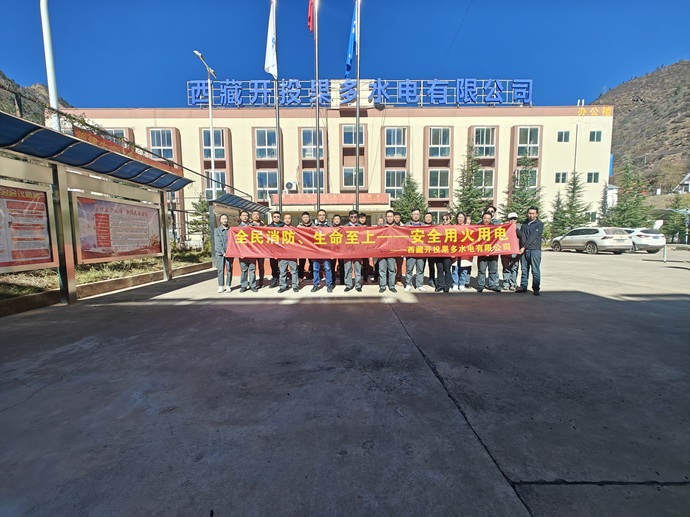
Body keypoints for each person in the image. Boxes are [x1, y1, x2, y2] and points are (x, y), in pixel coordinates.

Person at [516, 206, 543, 296]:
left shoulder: (539, 224)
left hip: (534, 250)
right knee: (524, 269)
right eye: (529, 213)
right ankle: (523, 286)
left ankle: (536, 288)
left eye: (533, 213)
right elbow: (521, 235)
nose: (531, 215)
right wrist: (513, 228)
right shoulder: (525, 223)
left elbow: (532, 237)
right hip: (524, 250)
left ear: (536, 214)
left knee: (535, 270)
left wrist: (523, 247)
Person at [476, 211, 500, 293]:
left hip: (492, 253)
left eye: (488, 218)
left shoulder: (495, 228)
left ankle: (493, 285)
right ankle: (481, 285)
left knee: (493, 270)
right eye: (485, 218)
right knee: (481, 270)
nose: (486, 220)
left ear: (491, 219)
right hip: (482, 253)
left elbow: (498, 240)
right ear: (482, 218)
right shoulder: (477, 227)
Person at [311, 209, 334, 293]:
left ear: (325, 216)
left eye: (323, 215)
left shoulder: (330, 227)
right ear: (317, 217)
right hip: (316, 251)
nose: (322, 217)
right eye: (320, 215)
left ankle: (329, 285)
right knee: (315, 269)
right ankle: (316, 285)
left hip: (326, 251)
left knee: (327, 268)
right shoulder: (313, 227)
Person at [404, 208, 426, 292]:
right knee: (409, 269)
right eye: (414, 214)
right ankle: (408, 284)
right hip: (410, 250)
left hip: (420, 250)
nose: (416, 216)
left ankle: (419, 285)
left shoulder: (424, 226)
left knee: (420, 269)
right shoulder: (406, 225)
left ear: (420, 215)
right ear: (411, 215)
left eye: (417, 214)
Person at [278, 213, 299, 293]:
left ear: (291, 220)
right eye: (286, 218)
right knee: (282, 272)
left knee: (294, 271)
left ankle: (295, 286)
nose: (287, 220)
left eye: (289, 218)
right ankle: (283, 286)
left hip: (292, 254)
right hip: (283, 254)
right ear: (283, 220)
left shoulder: (295, 230)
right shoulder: (279, 230)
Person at [378, 210, 397, 293]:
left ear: (394, 217)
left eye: (391, 216)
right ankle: (382, 286)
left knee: (392, 269)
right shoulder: (381, 228)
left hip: (392, 251)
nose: (389, 218)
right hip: (382, 251)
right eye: (388, 216)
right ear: (386, 217)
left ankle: (392, 286)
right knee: (382, 269)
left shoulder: (398, 228)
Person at [238, 210, 257, 292]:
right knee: (244, 269)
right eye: (243, 215)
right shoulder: (237, 228)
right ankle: (244, 285)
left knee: (252, 269)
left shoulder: (253, 226)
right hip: (242, 252)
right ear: (240, 217)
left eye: (246, 215)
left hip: (252, 252)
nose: (245, 217)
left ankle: (253, 285)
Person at [343, 210, 363, 292]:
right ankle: (348, 285)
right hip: (347, 251)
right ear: (349, 217)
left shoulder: (361, 227)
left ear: (357, 218)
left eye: (355, 217)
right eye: (351, 217)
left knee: (358, 269)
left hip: (358, 251)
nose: (353, 218)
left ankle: (358, 285)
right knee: (347, 269)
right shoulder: (344, 227)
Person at [451, 211, 471, 292]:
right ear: (457, 218)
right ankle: (455, 283)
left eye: (462, 217)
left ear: (464, 219)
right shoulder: (453, 227)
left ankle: (462, 284)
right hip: (455, 250)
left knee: (464, 269)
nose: (460, 219)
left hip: (464, 251)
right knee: (455, 268)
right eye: (459, 217)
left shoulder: (468, 228)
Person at [501, 212, 520, 291]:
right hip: (505, 251)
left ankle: (513, 284)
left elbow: (521, 236)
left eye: (514, 219)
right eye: (511, 219)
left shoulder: (519, 227)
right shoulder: (504, 227)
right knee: (506, 268)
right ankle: (506, 283)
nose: (512, 220)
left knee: (514, 268)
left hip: (515, 251)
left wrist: (515, 228)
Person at [434, 213, 453, 293]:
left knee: (447, 269)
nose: (445, 221)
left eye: (447, 219)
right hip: (439, 252)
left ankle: (447, 286)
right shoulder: (439, 228)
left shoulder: (454, 228)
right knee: (440, 269)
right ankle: (440, 285)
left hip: (448, 253)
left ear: (450, 219)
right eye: (443, 219)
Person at [214, 213, 233, 293]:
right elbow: (218, 243)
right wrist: (223, 252)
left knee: (229, 269)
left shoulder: (231, 230)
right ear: (220, 220)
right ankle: (221, 286)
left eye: (226, 218)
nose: (225, 220)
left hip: (229, 253)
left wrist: (230, 252)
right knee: (220, 269)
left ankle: (228, 285)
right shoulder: (217, 230)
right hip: (220, 253)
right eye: (223, 219)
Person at [267, 211, 284, 288]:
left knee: (283, 266)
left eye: (278, 217)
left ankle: (283, 281)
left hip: (282, 249)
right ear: (272, 218)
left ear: (280, 218)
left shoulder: (284, 226)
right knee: (273, 266)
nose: (276, 218)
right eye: (274, 217)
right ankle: (275, 279)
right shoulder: (268, 227)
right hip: (272, 249)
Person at [250, 210, 266, 288]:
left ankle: (261, 282)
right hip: (252, 250)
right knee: (252, 267)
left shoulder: (264, 225)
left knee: (261, 267)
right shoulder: (248, 225)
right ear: (252, 216)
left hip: (261, 250)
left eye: (257, 214)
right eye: (254, 214)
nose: (256, 216)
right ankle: (252, 284)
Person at [358, 212, 375, 283]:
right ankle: (358, 279)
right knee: (358, 265)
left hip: (365, 248)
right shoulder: (355, 227)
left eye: (363, 218)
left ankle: (365, 278)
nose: (362, 219)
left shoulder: (368, 227)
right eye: (361, 218)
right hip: (358, 248)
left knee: (366, 264)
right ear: (359, 219)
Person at [297, 211, 313, 282]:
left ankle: (314, 277)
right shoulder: (298, 227)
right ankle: (300, 277)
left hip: (311, 248)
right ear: (302, 218)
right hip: (302, 248)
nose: (305, 218)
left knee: (312, 263)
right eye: (304, 217)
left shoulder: (313, 226)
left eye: (307, 217)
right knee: (301, 263)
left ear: (309, 218)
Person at [331, 214, 346, 286]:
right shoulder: (329, 229)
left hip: (341, 250)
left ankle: (342, 281)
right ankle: (332, 281)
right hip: (332, 250)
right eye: (335, 219)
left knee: (342, 266)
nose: (337, 220)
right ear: (333, 220)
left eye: (338, 219)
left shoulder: (343, 228)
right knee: (332, 266)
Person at [423, 211, 436, 288]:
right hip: (422, 249)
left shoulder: (435, 227)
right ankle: (420, 281)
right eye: (426, 217)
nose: (428, 219)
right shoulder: (421, 227)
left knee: (431, 266)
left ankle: (432, 280)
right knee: (422, 266)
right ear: (424, 218)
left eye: (429, 217)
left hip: (432, 250)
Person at [393, 211, 404, 286]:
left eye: (398, 217)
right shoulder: (389, 226)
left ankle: (398, 279)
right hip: (391, 248)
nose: (397, 219)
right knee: (391, 266)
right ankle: (391, 279)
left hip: (400, 249)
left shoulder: (404, 226)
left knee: (399, 265)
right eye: (396, 217)